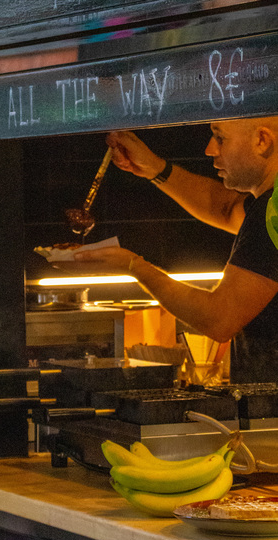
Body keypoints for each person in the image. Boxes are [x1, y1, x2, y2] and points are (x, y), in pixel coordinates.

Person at [67, 117, 278, 383]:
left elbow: (219, 318)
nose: (210, 149)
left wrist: (133, 266)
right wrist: (155, 168)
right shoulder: (270, 205)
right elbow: (224, 208)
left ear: (262, 141)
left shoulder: (272, 210)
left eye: (220, 137)